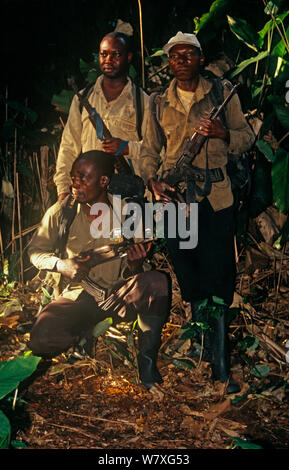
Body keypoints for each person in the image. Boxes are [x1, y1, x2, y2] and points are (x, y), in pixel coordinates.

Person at [139, 32, 255, 394]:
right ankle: (202, 344)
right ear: (168, 62)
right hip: (176, 199)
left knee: (220, 275)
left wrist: (222, 133)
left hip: (216, 198)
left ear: (201, 60)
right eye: (175, 56)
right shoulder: (158, 103)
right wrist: (153, 183)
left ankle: (221, 367)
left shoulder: (221, 93)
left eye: (189, 55)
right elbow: (147, 153)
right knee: (188, 272)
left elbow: (247, 137)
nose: (182, 60)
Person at [28, 150, 170, 391]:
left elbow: (136, 268)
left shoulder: (128, 212)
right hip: (78, 297)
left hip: (118, 296)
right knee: (41, 339)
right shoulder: (62, 212)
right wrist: (61, 265)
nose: (75, 184)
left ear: (103, 181)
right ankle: (84, 333)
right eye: (74, 178)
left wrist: (135, 263)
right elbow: (34, 252)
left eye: (83, 179)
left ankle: (146, 363)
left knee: (157, 282)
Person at [54, 31, 149, 201]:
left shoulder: (143, 102)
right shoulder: (83, 99)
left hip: (127, 198)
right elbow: (69, 146)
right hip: (87, 196)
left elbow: (158, 152)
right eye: (104, 54)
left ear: (128, 57)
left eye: (116, 54)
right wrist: (63, 190)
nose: (108, 60)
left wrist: (128, 148)